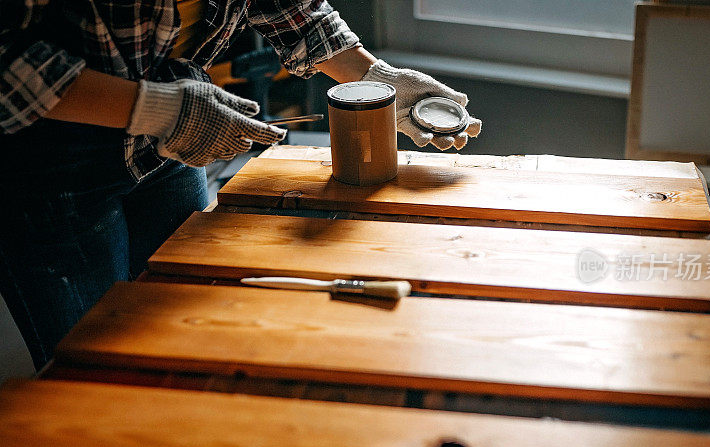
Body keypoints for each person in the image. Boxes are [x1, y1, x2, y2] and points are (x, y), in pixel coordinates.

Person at [0, 1, 481, 370]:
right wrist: (155, 109)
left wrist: (378, 78)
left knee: (193, 332)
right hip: (43, 162)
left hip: (169, 137)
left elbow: (289, 7)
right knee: (94, 367)